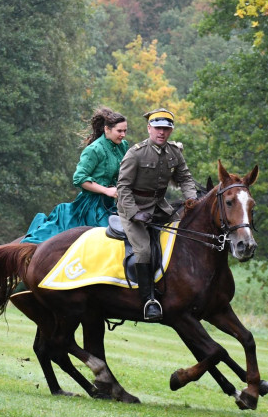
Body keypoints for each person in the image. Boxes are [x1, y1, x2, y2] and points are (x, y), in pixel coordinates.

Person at [116, 108, 198, 321]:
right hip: (132, 207)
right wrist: (134, 213)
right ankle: (148, 300)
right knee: (143, 251)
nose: (162, 132)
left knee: (188, 235)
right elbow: (122, 188)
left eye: (166, 129)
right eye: (158, 128)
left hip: (159, 207)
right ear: (149, 128)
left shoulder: (174, 152)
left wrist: (192, 201)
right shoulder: (135, 153)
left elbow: (186, 179)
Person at [22, 108, 129, 244]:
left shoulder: (122, 146)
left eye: (125, 131)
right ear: (107, 129)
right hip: (91, 206)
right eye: (119, 131)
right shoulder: (94, 149)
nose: (123, 134)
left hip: (112, 203)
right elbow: (79, 178)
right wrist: (106, 190)